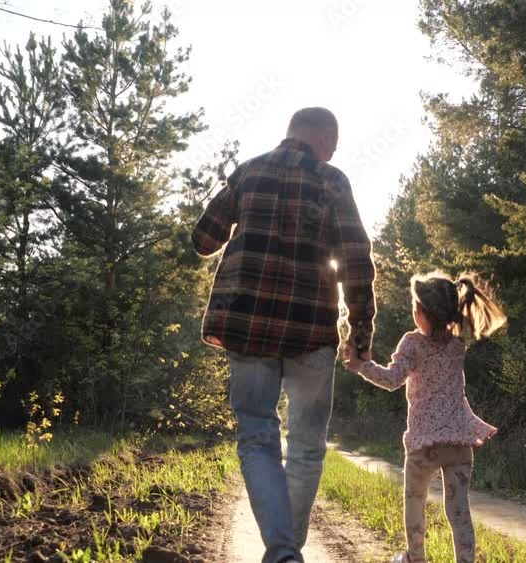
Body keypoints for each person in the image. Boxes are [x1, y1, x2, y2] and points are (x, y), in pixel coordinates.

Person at [192, 107, 376, 563]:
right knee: (308, 445)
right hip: (310, 330)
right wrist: (361, 325)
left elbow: (203, 239)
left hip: (247, 325)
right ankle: (285, 552)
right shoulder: (332, 181)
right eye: (332, 145)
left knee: (257, 438)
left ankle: (282, 552)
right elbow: (355, 255)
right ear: (323, 139)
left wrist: (234, 204)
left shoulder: (248, 171)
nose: (331, 153)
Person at [341, 271, 507, 563]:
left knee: (415, 504)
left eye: (415, 307)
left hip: (424, 445)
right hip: (459, 443)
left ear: (422, 313)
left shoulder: (412, 342)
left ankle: (415, 558)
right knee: (459, 514)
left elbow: (392, 380)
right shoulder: (458, 345)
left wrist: (361, 365)